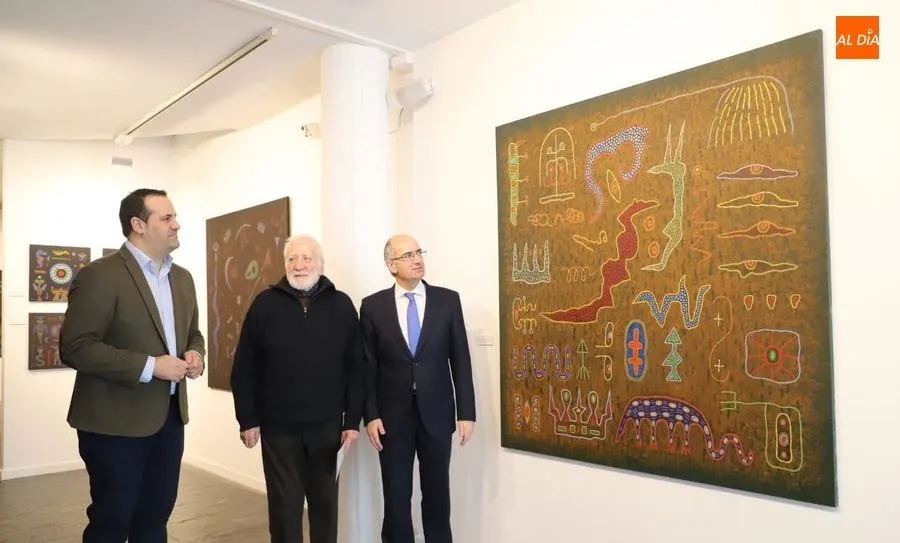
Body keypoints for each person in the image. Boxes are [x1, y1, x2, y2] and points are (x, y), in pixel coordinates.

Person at [58, 188, 206, 543]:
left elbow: (193, 334)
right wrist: (150, 366)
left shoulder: (182, 278)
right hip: (113, 424)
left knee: (155, 519)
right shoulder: (101, 275)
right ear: (138, 224)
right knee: (112, 519)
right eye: (166, 218)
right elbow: (75, 347)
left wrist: (196, 354)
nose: (177, 224)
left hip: (169, 419)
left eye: (175, 217)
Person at [230, 234, 365, 543]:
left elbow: (357, 368)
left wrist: (351, 421)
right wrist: (247, 419)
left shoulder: (341, 305)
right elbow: (244, 368)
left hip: (328, 427)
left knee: (325, 506)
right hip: (279, 429)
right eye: (292, 259)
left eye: (306, 258)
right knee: (284, 507)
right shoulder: (264, 305)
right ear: (285, 264)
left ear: (320, 264)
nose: (299, 265)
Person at [361, 234, 476, 543]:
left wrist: (467, 413)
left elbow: (460, 358)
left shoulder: (447, 300)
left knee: (437, 495)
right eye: (408, 255)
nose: (417, 259)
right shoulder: (372, 307)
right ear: (391, 265)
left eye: (419, 252)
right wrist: (370, 415)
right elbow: (367, 367)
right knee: (396, 498)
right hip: (391, 417)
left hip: (437, 414)